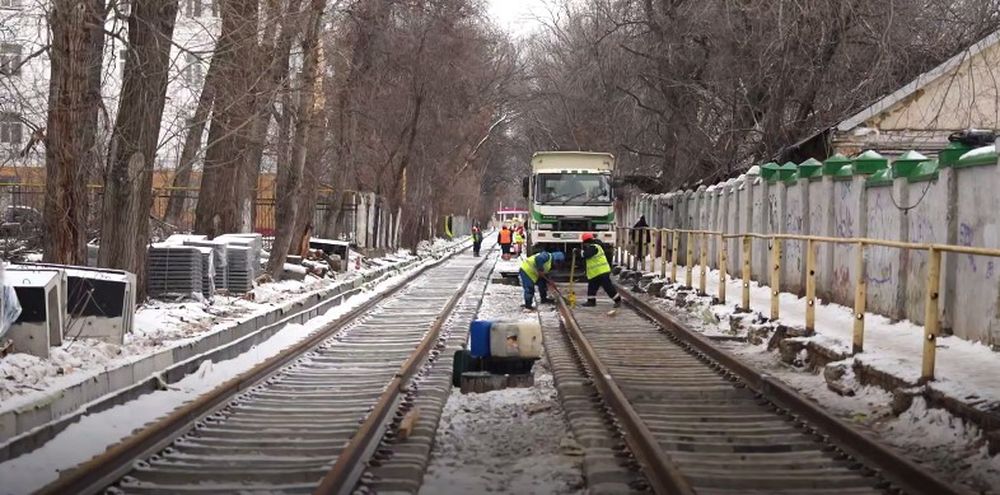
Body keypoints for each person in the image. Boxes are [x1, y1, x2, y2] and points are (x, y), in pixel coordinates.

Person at [581, 233, 622, 307]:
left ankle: (617, 300)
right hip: (595, 273)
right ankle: (591, 301)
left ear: (586, 242)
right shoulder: (593, 247)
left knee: (608, 287)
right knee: (592, 287)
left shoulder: (594, 247)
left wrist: (579, 252)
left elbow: (586, 255)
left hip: (602, 272)